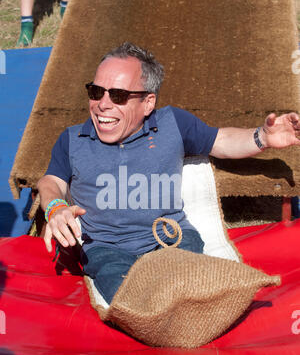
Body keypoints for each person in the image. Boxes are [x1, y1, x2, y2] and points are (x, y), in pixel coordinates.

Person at [37, 42, 300, 304]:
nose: (102, 104)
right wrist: (56, 207)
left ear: (148, 102)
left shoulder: (171, 123)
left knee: (191, 279)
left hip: (171, 237)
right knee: (124, 295)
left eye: (117, 95)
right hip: (107, 249)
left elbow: (221, 141)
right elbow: (51, 181)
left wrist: (262, 136)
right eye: (96, 92)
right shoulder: (73, 139)